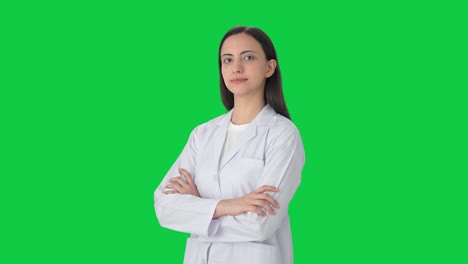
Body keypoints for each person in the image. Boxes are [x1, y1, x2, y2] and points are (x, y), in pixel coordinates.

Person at [154, 26, 305, 264]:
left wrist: (198, 210)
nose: (236, 67)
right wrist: (229, 206)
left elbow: (260, 224)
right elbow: (164, 207)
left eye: (248, 57)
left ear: (269, 67)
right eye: (227, 59)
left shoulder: (283, 135)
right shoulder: (202, 134)